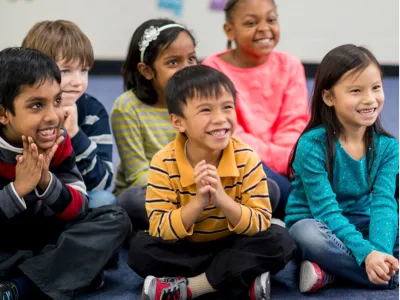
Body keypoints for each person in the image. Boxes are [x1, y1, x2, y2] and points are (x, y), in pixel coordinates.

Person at [128, 65, 296, 300]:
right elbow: (161, 229)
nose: (220, 119)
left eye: (227, 107)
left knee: (280, 240)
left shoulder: (246, 157)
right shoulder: (163, 162)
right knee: (139, 249)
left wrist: (223, 200)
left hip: (232, 244)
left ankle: (190, 287)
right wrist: (198, 203)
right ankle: (239, 279)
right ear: (178, 122)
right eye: (205, 110)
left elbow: (258, 222)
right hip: (187, 248)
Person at [0, 47, 131, 299]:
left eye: (57, 101)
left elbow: (80, 206)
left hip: (47, 234)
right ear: (4, 113)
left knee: (115, 218)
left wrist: (45, 180)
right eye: (37, 105)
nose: (53, 116)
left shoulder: (57, 140)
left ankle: (21, 285)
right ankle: (70, 272)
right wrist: (18, 189)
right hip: (8, 240)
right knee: (88, 255)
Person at [285, 44, 400, 293]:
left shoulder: (388, 146)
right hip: (317, 224)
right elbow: (325, 212)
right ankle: (387, 276)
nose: (369, 99)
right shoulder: (312, 144)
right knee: (307, 235)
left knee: (390, 226)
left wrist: (378, 251)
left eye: (376, 88)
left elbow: (383, 203)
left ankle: (330, 273)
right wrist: (367, 253)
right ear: (328, 97)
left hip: (363, 222)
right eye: (356, 91)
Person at [202, 0, 309, 218]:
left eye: (271, 19)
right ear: (229, 30)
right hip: (243, 161)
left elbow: (294, 123)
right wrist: (288, 162)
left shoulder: (290, 65)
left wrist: (293, 162)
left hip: (291, 160)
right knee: (275, 187)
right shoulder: (213, 70)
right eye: (251, 23)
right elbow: (230, 135)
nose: (264, 29)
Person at [111, 18, 198, 229]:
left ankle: (190, 222)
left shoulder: (199, 99)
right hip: (154, 189)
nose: (186, 69)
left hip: (197, 186)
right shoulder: (127, 108)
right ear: (146, 70)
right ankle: (196, 222)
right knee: (130, 200)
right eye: (173, 62)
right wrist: (187, 190)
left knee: (265, 186)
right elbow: (137, 174)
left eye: (191, 59)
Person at [22, 20, 116, 208]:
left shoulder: (93, 112)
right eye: (65, 70)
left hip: (72, 199)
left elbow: (102, 184)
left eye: (84, 70)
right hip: (28, 198)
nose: (78, 82)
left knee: (105, 202)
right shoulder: (21, 109)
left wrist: (75, 134)